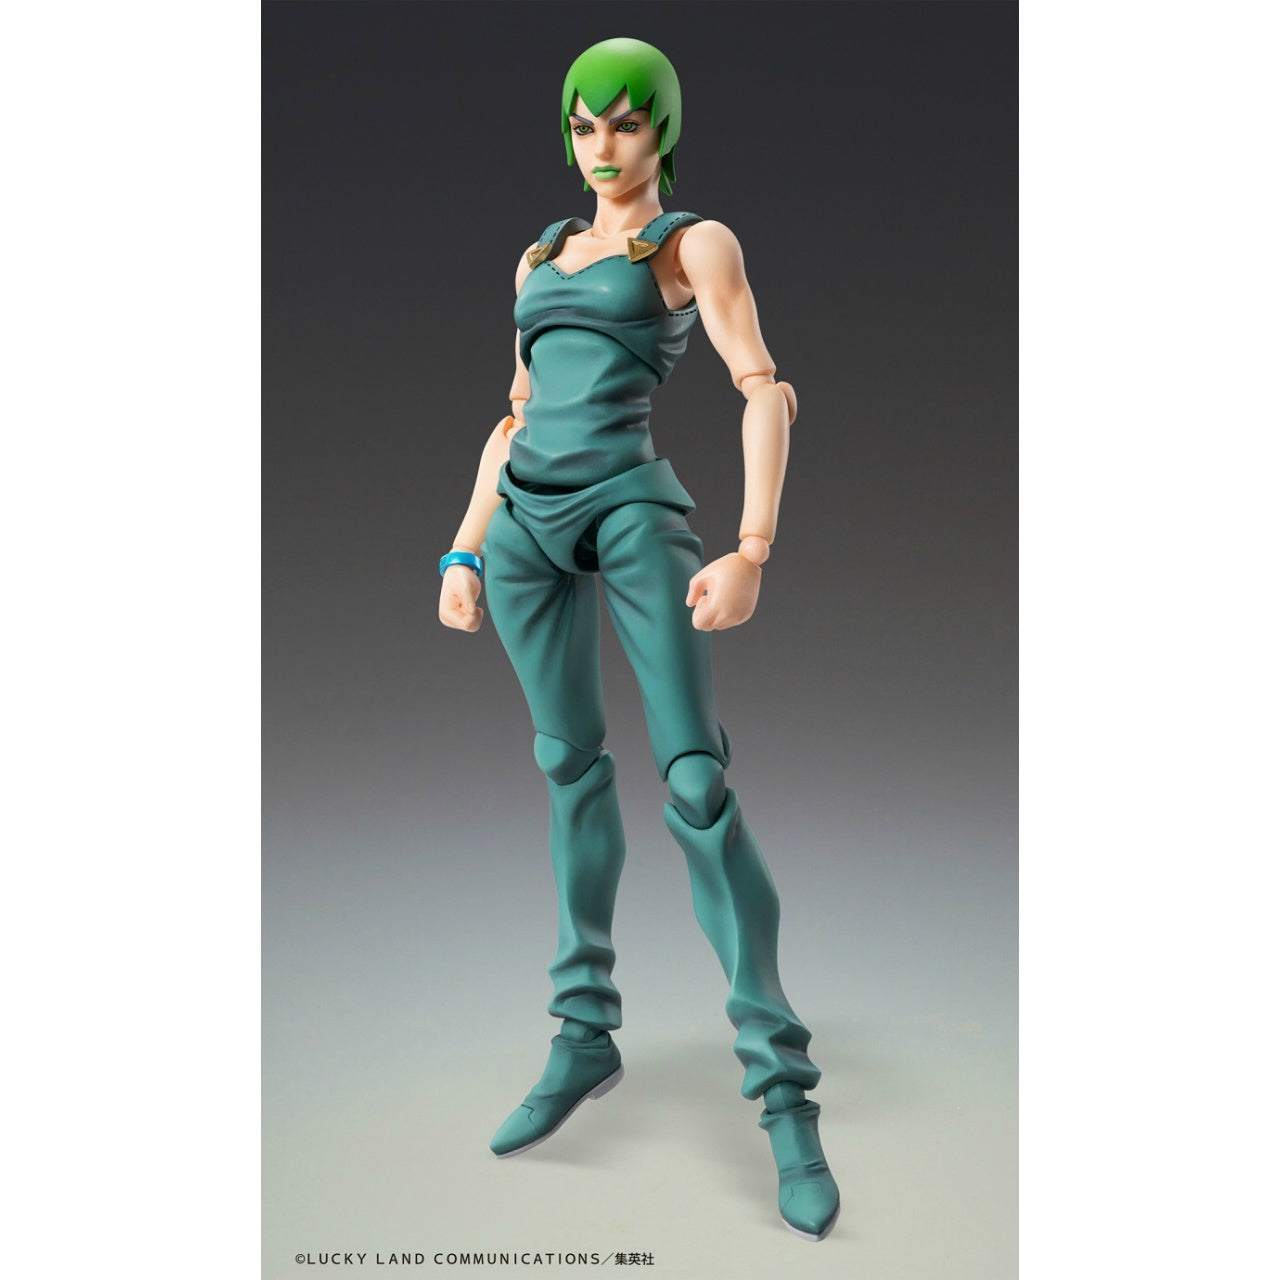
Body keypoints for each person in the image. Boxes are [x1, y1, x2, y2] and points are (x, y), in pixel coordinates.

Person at [437, 37, 839, 1242]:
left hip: (628, 510)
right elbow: (513, 414)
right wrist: (463, 545)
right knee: (567, 767)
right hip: (523, 526)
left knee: (695, 783)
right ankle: (582, 1033)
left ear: (662, 130)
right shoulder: (538, 254)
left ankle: (782, 1091)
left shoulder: (688, 244)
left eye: (623, 123)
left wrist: (751, 547)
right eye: (583, 125)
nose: (602, 145)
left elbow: (762, 386)